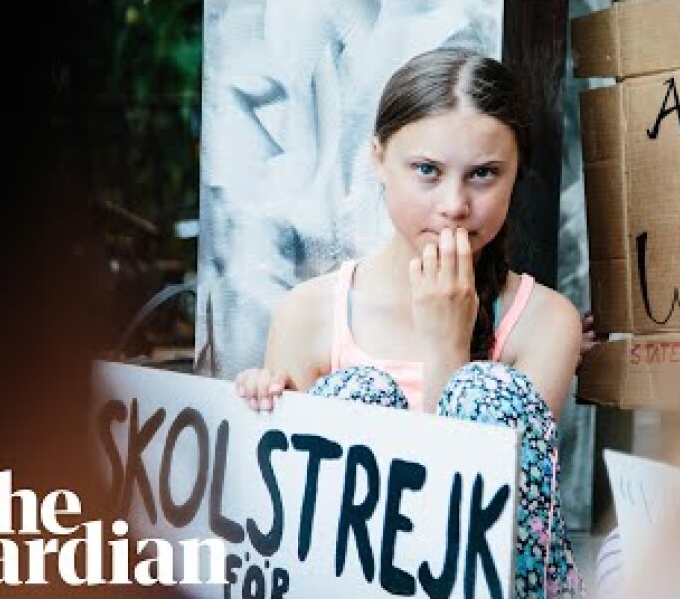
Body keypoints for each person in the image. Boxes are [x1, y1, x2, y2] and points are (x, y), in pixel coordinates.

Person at [234, 47, 586, 598]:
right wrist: (263, 401)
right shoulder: (310, 312)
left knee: (487, 391)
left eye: (484, 175)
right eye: (426, 170)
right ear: (378, 159)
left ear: (517, 174)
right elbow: (289, 520)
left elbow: (478, 519)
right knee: (355, 394)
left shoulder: (544, 322)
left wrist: (444, 346)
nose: (454, 204)